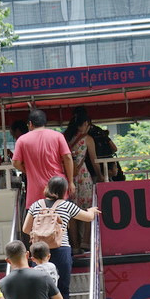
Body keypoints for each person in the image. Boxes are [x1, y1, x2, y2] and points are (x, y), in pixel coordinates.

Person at [22, 176, 101, 299]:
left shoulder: (36, 205)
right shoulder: (67, 205)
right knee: (62, 287)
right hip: (61, 249)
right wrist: (91, 210)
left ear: (47, 188)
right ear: (65, 191)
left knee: (38, 289)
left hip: (39, 251)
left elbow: (25, 229)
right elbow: (88, 217)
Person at [12, 109, 75, 210]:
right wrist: (71, 181)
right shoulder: (58, 136)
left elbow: (15, 163)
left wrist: (27, 170)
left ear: (30, 124)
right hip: (58, 187)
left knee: (39, 224)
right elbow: (67, 157)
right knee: (61, 221)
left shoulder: (22, 140)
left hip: (36, 192)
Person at [63, 109, 103, 254]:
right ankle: (86, 242)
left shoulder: (66, 138)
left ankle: (75, 245)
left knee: (72, 213)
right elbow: (94, 161)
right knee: (87, 209)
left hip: (69, 178)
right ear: (86, 123)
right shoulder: (87, 139)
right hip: (83, 176)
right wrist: (100, 176)